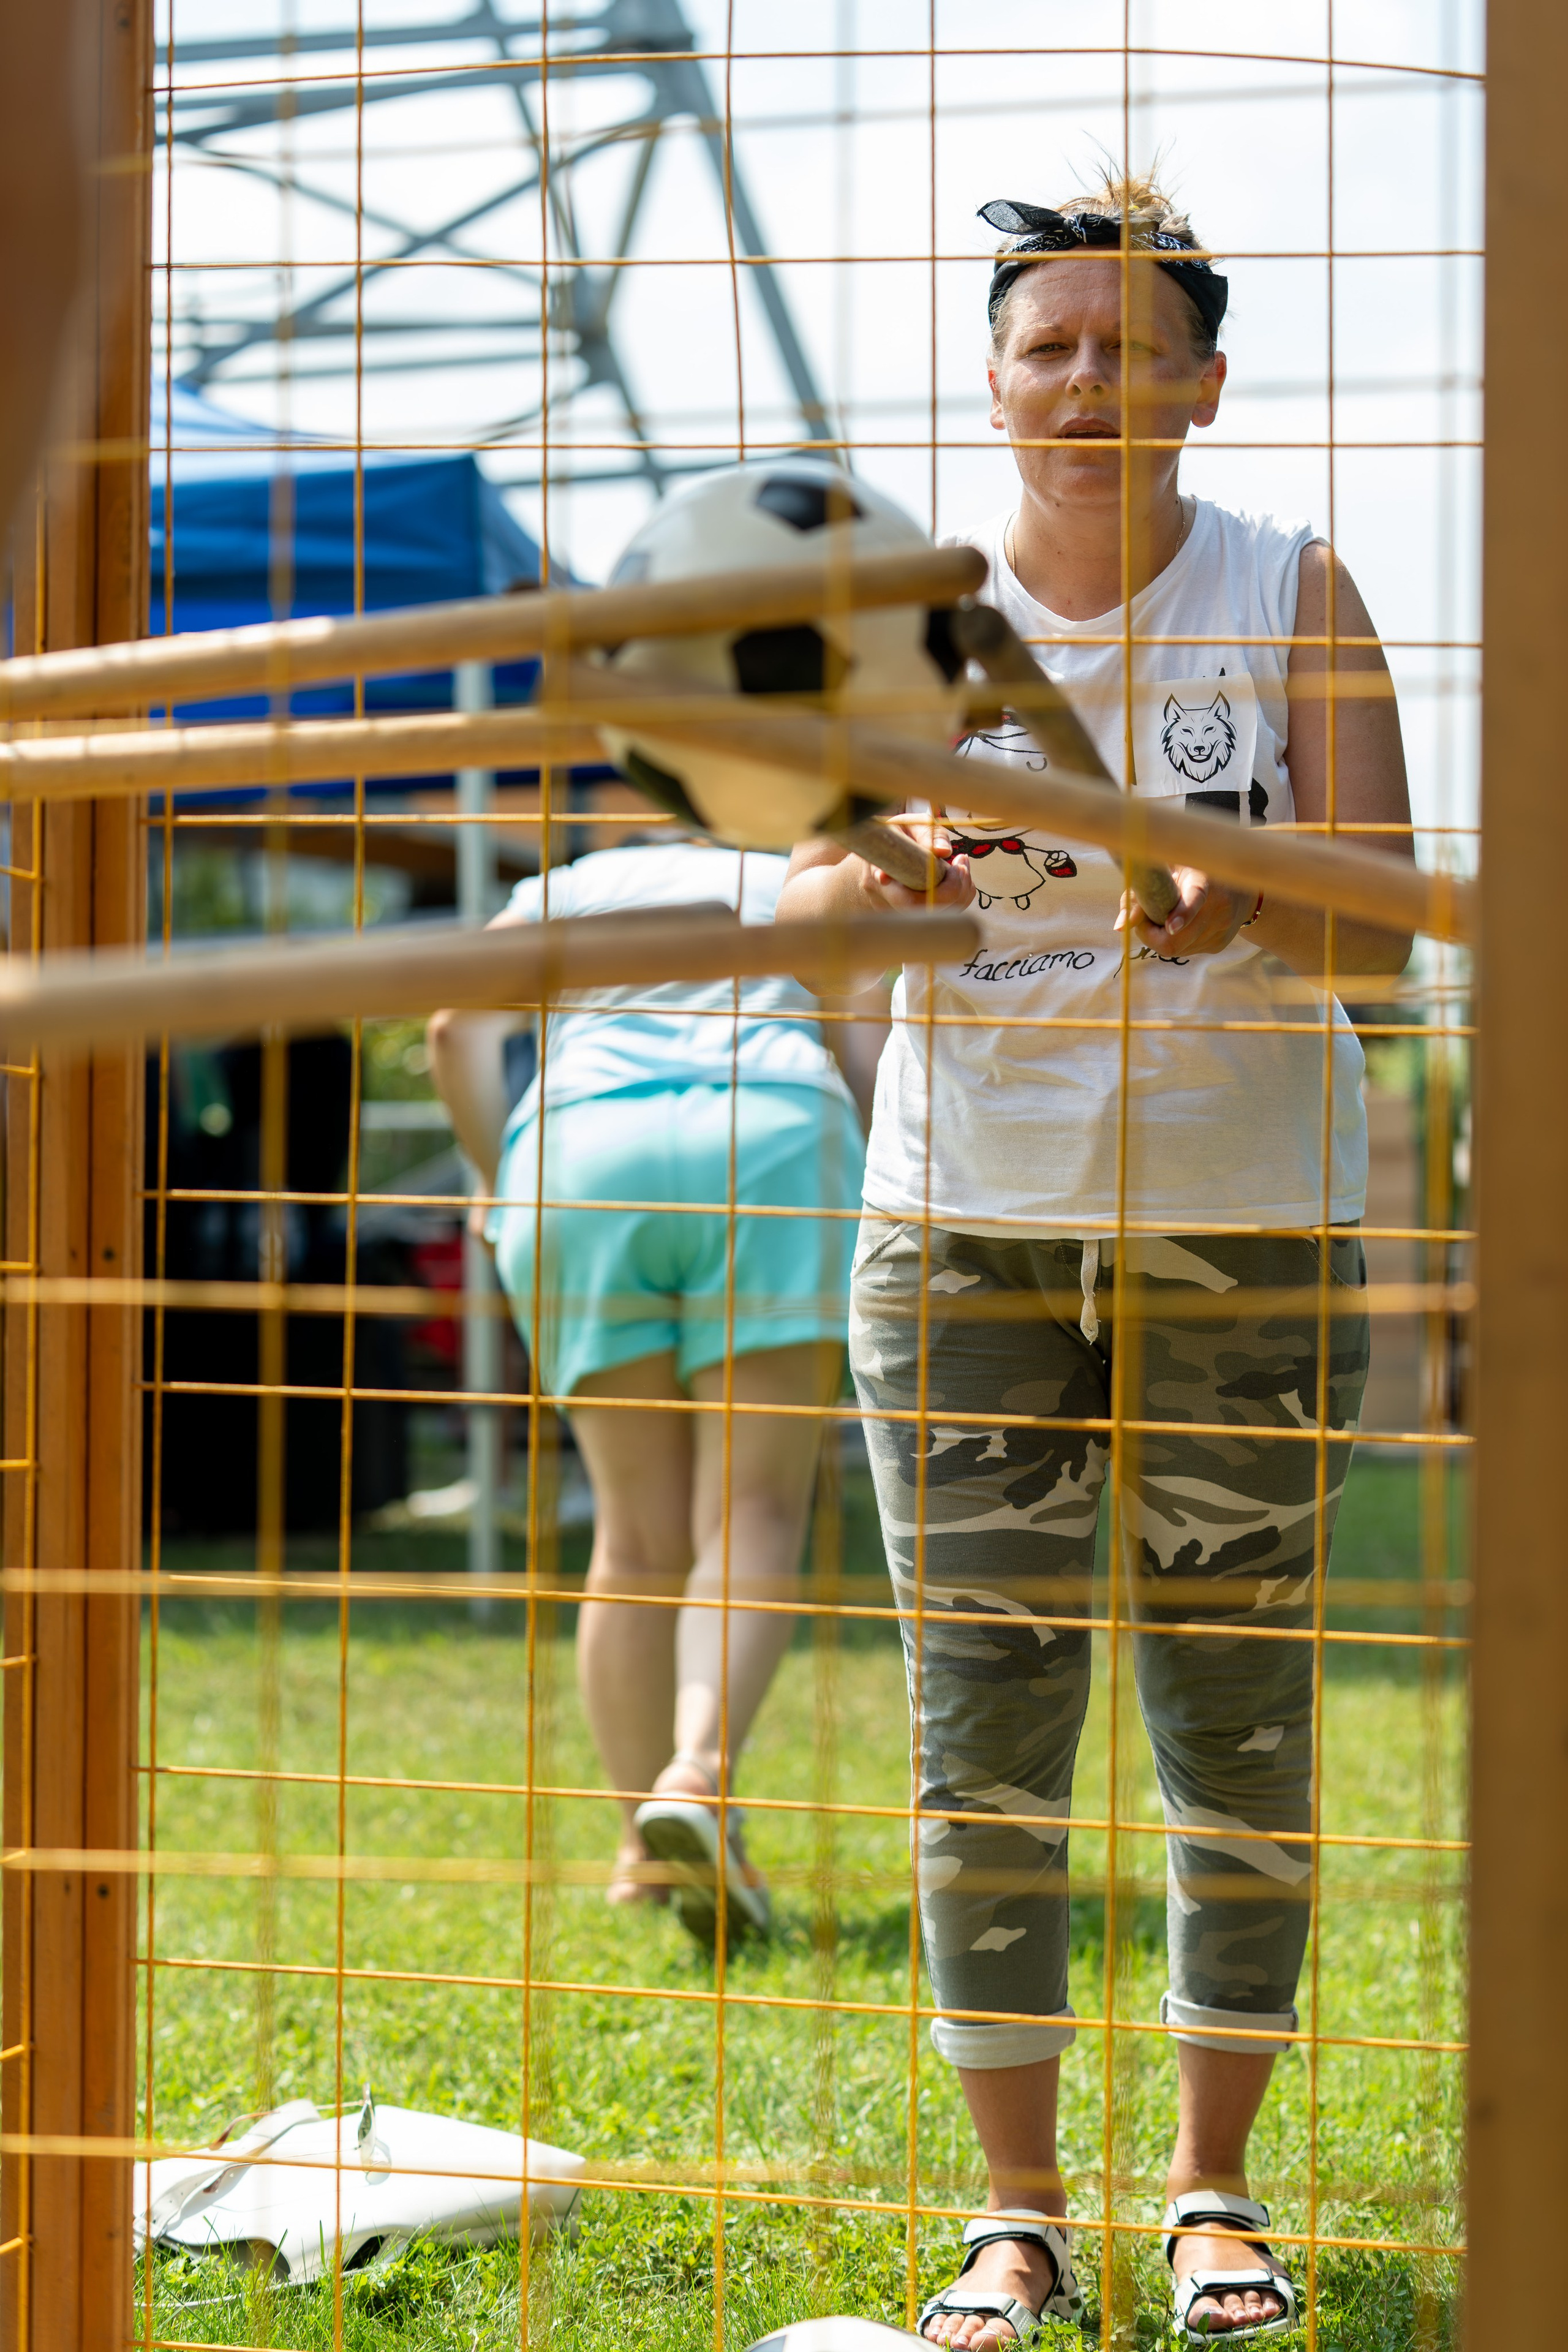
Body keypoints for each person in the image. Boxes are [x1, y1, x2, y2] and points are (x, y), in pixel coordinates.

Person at [777, 172, 1413, 2343]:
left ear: (1205, 386)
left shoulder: (1292, 586)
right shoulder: (908, 625)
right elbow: (791, 903)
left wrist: (1242, 893)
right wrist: (852, 891)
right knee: (985, 1733)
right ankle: (1015, 2217)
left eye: (1132, 347)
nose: (1085, 382)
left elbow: (1386, 926)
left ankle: (1213, 2193)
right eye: (1048, 344)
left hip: (1246, 1233)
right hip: (962, 1236)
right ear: (992, 377)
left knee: (1236, 1725)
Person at [428, 837, 868, 1948]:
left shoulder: (559, 891)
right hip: (770, 1138)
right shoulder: (797, 873)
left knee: (631, 1536)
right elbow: (862, 1037)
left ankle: (641, 1844)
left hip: (583, 1156)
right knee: (756, 1511)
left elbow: (452, 1029)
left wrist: (495, 1173)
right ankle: (699, 1771)